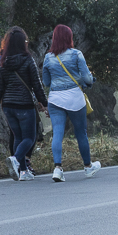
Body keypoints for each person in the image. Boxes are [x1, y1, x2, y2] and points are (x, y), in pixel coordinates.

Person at [40, 24, 100, 182]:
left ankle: (57, 169)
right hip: (74, 98)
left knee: (57, 133)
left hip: (55, 99)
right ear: (69, 38)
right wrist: (87, 81)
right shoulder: (76, 54)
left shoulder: (48, 57)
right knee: (81, 133)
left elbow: (46, 82)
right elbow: (87, 78)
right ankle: (88, 166)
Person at [0, 27, 49, 181]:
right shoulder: (28, 59)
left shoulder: (2, 62)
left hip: (8, 106)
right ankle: (16, 159)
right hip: (24, 105)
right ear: (23, 43)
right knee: (29, 138)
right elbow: (36, 84)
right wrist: (45, 103)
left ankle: (23, 172)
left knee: (18, 137)